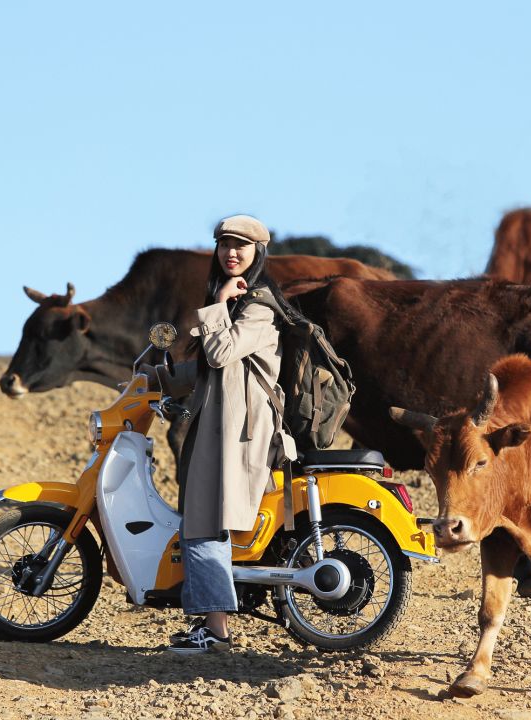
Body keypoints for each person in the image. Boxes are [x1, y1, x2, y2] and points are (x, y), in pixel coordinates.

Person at [159, 214, 298, 655]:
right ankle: (213, 623)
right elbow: (208, 371)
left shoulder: (258, 306)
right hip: (220, 426)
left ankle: (216, 630)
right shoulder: (238, 306)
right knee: (204, 521)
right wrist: (154, 378)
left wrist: (218, 299)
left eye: (241, 246)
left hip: (240, 433)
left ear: (259, 253)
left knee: (205, 522)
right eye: (224, 245)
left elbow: (219, 354)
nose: (231, 253)